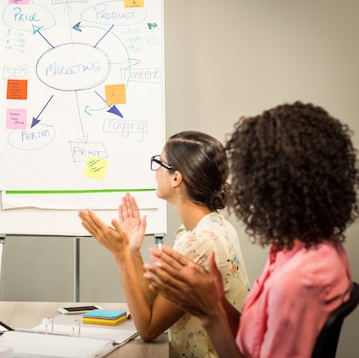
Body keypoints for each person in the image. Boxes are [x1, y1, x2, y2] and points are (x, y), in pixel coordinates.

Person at [145, 102, 357, 358]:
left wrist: (211, 313)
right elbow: (253, 335)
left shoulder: (296, 281)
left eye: (251, 180)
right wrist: (217, 301)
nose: (243, 190)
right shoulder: (307, 247)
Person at [78, 131, 250, 358]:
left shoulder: (199, 241)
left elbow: (148, 328)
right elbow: (152, 302)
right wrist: (132, 251)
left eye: (159, 163)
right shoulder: (209, 227)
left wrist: (120, 256)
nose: (156, 171)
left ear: (176, 178)